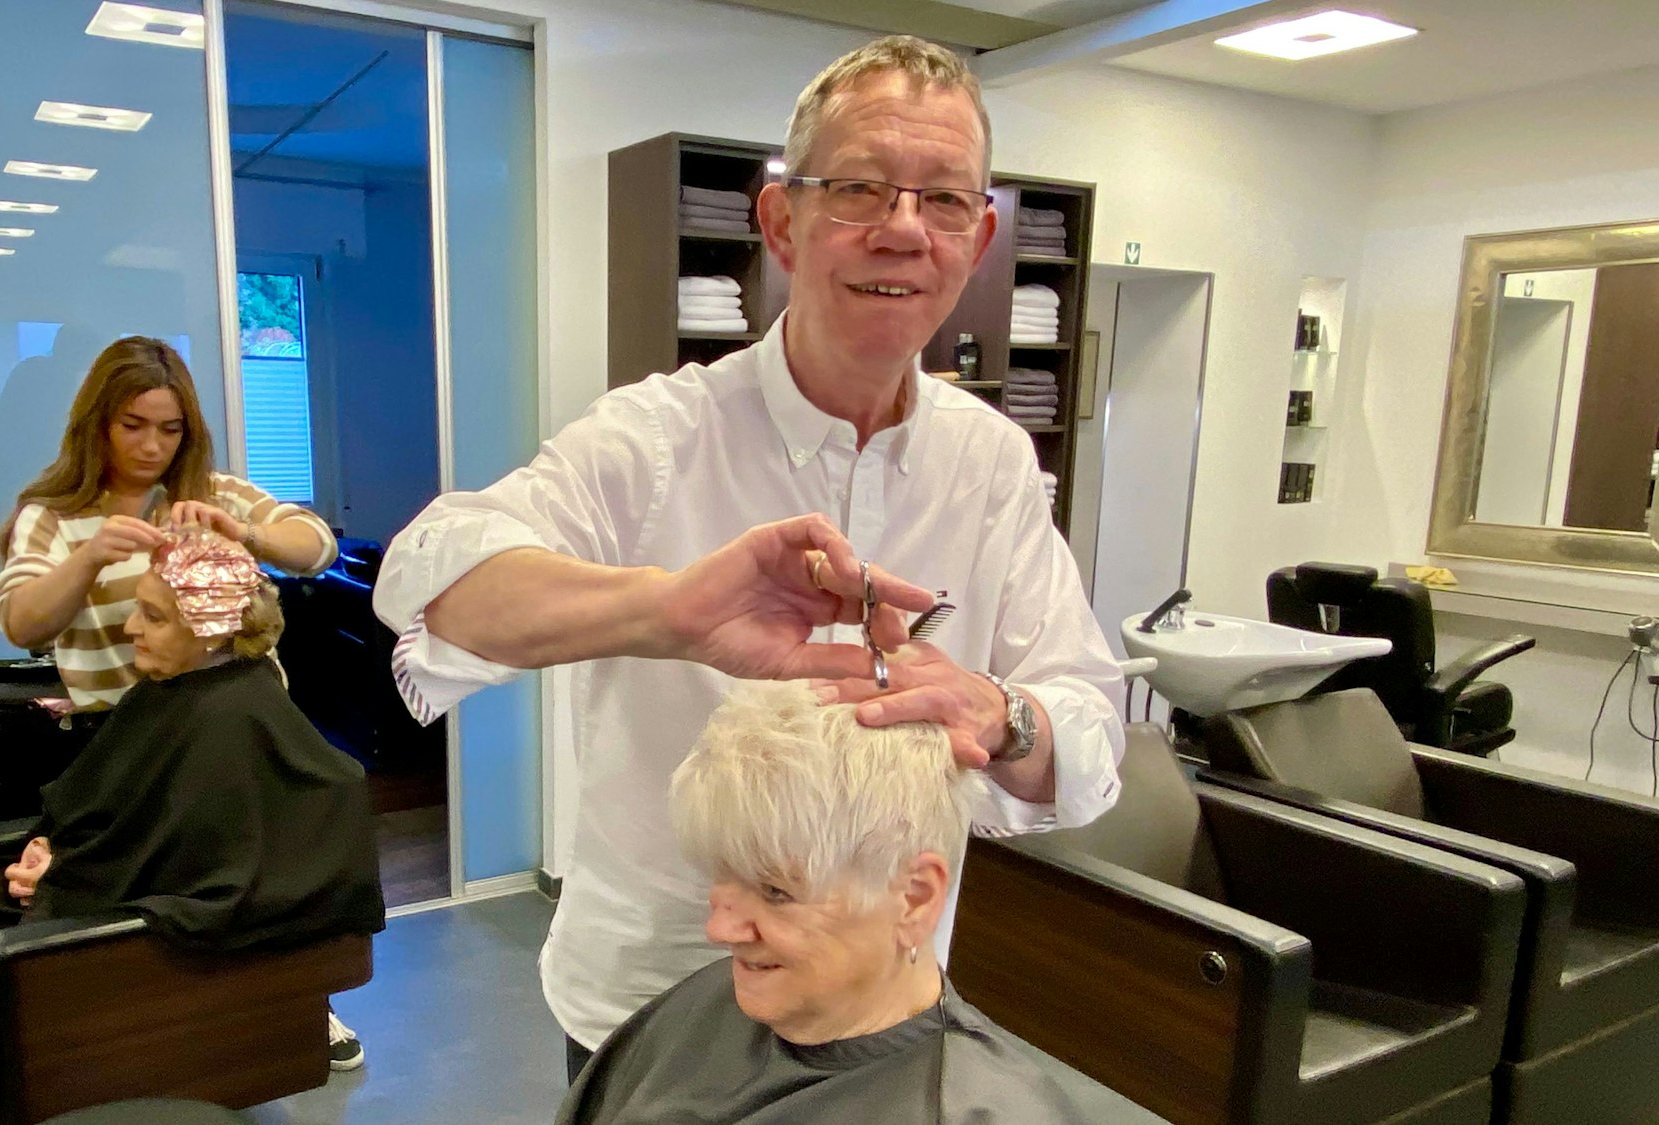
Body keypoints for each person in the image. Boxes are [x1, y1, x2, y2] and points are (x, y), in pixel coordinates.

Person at [372, 35, 1125, 1078]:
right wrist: (665, 611)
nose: (902, 230)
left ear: (979, 234)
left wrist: (1001, 718)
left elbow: (1085, 730)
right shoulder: (658, 436)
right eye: (859, 188)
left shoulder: (990, 461)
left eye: (942, 200)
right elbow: (436, 578)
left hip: (882, 1010)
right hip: (654, 1003)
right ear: (781, 220)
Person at [0, 528, 385, 1089]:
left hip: (110, 920)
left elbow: (197, 869)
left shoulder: (230, 719)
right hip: (86, 877)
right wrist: (45, 843)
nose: (131, 628)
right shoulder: (176, 691)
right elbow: (114, 809)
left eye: (154, 617)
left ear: (210, 634)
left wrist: (60, 876)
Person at [558, 682, 1084, 1123]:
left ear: (914, 897)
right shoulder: (691, 1014)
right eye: (724, 878)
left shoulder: (976, 1108)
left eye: (775, 891)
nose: (719, 930)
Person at [0, 335, 338, 712]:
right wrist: (89, 558)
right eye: (132, 426)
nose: (153, 446)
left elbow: (318, 548)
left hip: (237, 723)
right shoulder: (53, 517)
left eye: (170, 429)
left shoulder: (218, 494)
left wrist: (244, 533)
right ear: (97, 424)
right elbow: (21, 625)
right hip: (124, 734)